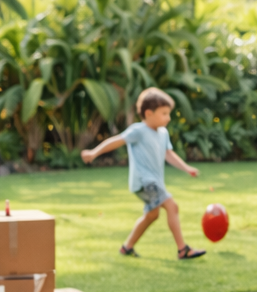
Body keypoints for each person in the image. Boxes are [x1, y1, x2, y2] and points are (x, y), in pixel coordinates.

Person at [81, 86, 207, 260]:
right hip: (144, 182)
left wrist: (186, 168)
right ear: (149, 113)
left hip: (154, 182)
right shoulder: (138, 131)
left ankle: (127, 247)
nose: (168, 118)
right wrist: (94, 153)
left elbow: (168, 154)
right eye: (164, 113)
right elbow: (117, 141)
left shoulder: (163, 133)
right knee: (172, 206)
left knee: (152, 215)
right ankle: (182, 249)